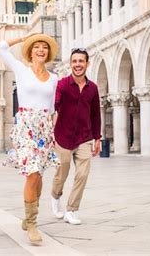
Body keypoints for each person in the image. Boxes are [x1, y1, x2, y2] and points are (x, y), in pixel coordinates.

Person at [0, 33, 60, 245]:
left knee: (38, 175)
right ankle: (32, 223)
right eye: (36, 47)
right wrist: (24, 37)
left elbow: (52, 109)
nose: (40, 50)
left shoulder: (54, 78)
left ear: (47, 53)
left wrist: (53, 133)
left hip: (44, 128)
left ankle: (29, 215)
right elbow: (0, 47)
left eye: (44, 47)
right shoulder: (21, 70)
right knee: (32, 174)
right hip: (25, 126)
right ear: (30, 52)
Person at [50, 47, 101, 225]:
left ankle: (71, 210)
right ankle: (55, 197)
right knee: (61, 173)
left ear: (87, 63)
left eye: (81, 61)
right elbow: (54, 104)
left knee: (82, 175)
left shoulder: (93, 88)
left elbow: (95, 114)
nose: (77, 65)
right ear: (70, 64)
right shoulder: (62, 85)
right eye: (74, 61)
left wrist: (98, 138)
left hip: (84, 138)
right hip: (63, 137)